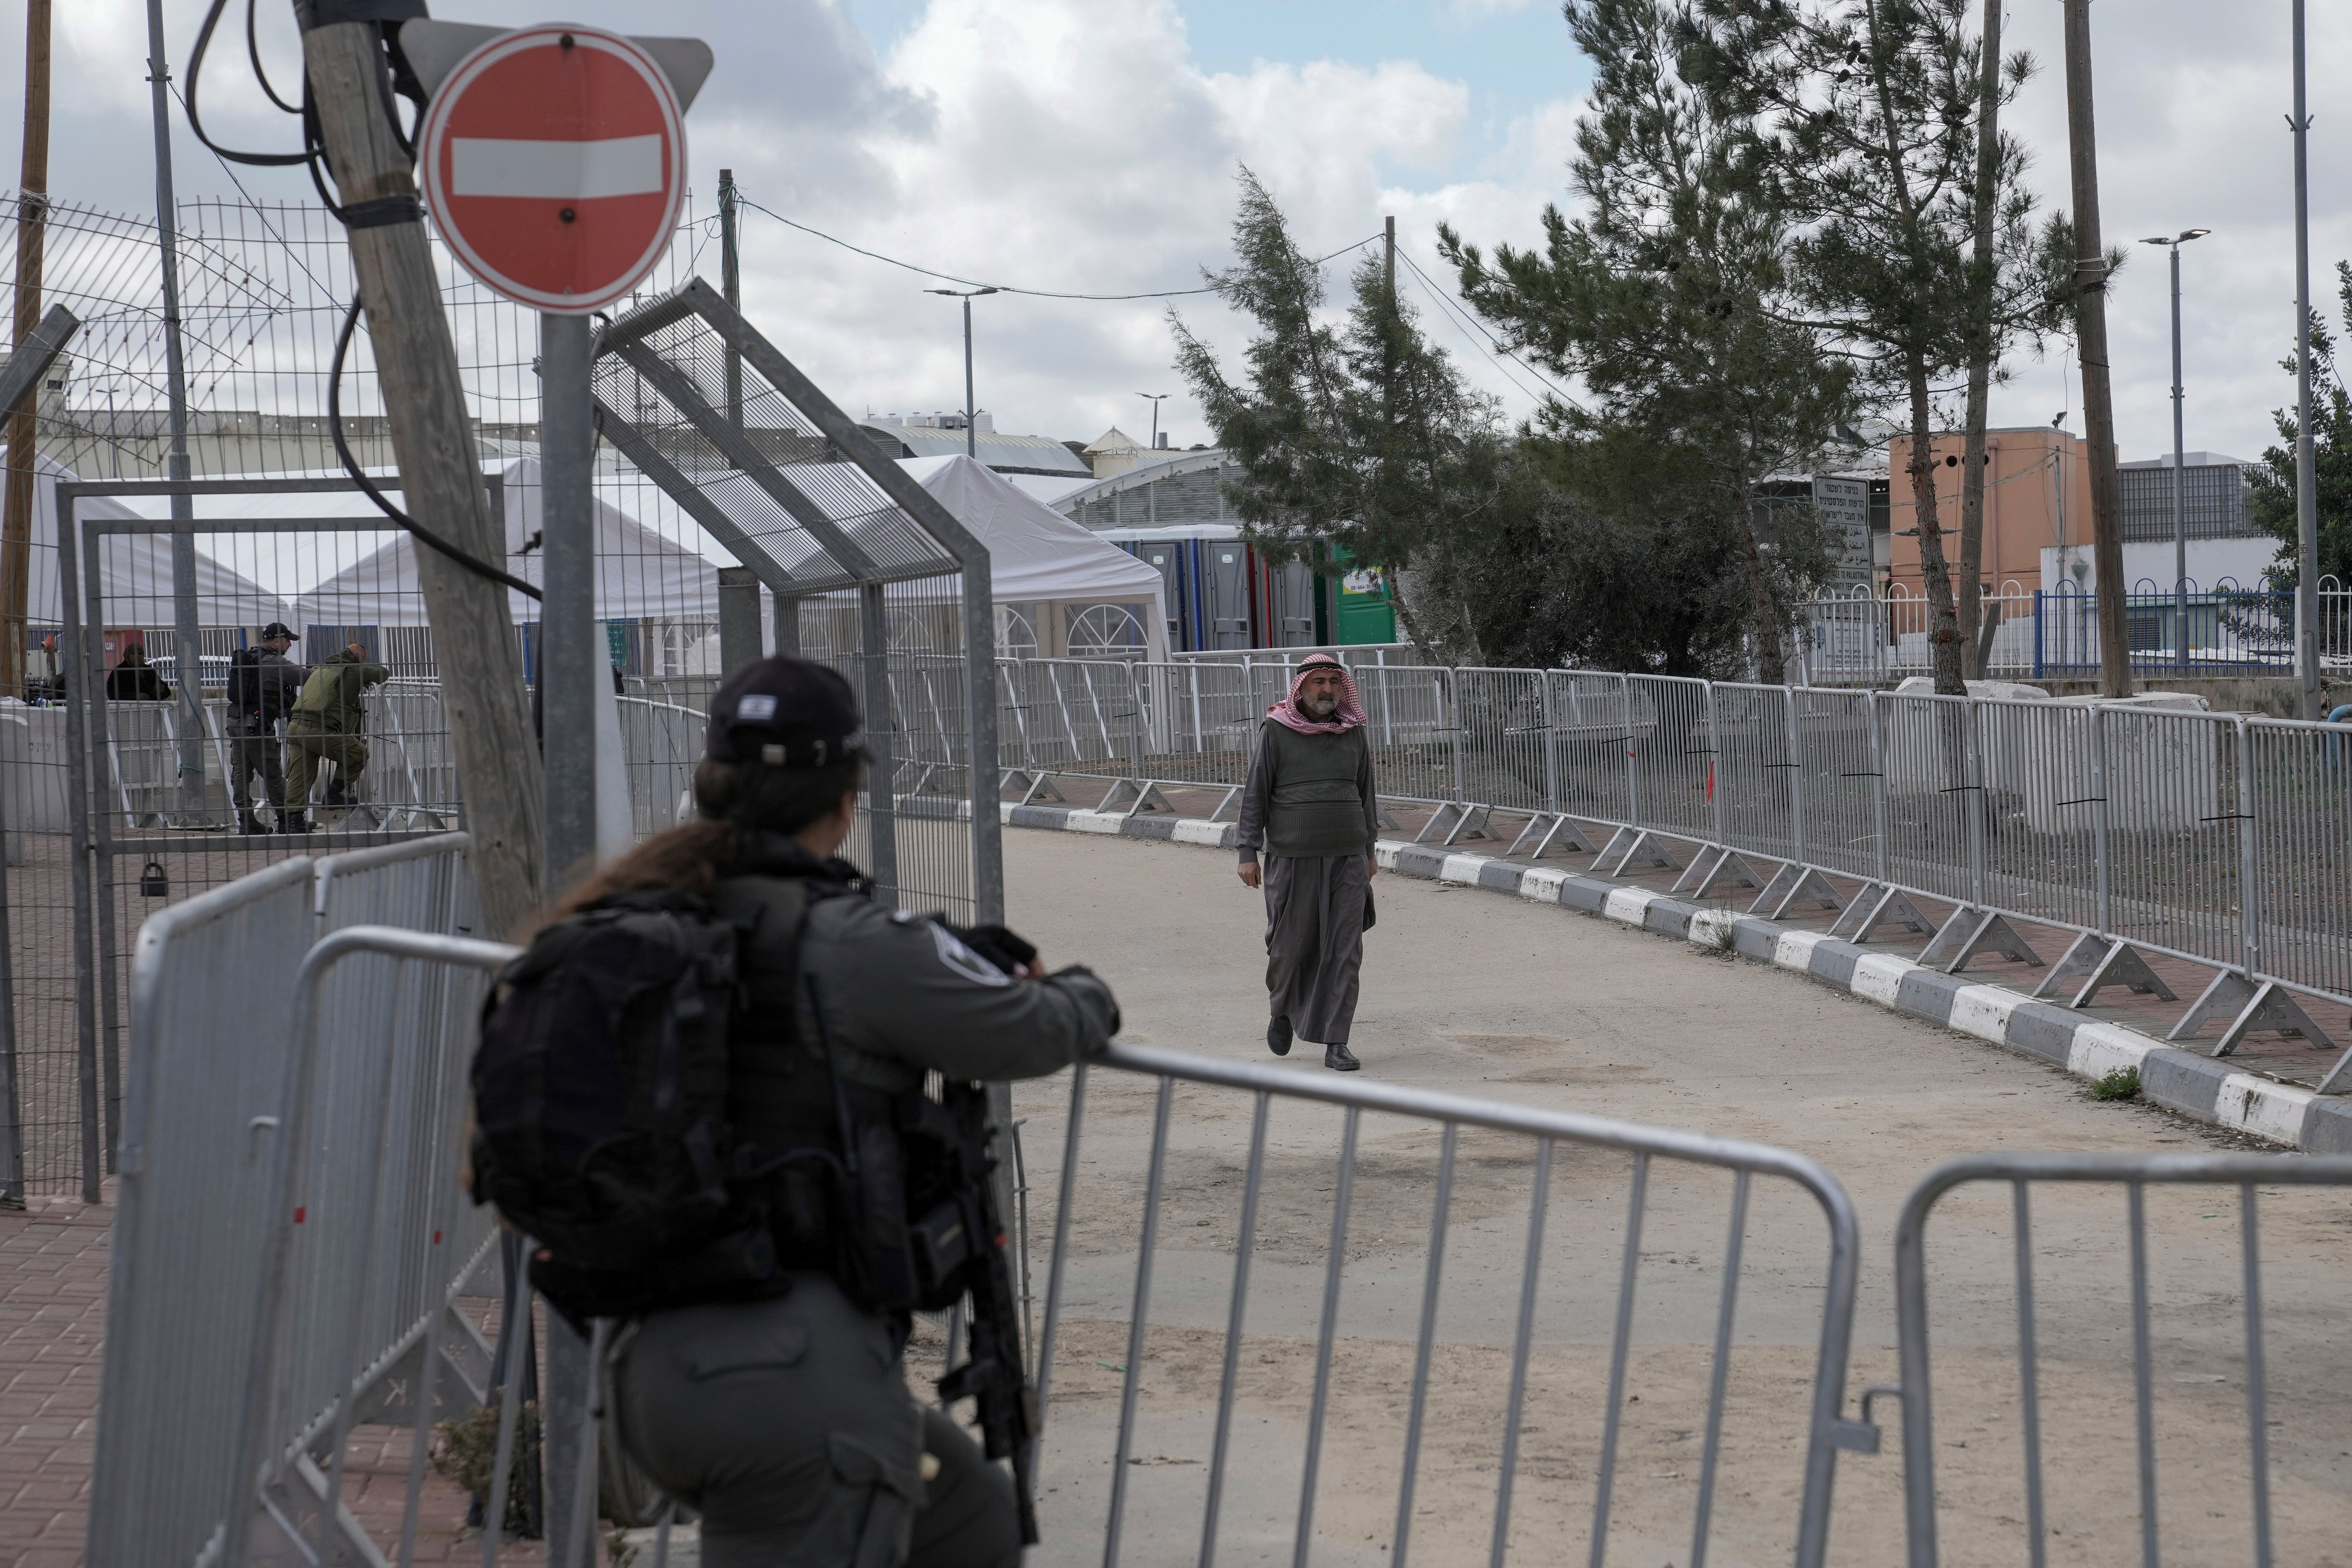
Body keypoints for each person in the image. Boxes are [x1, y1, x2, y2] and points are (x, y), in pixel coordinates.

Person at [558, 655, 1120, 1568]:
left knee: (966, 1518)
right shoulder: (845, 942)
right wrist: (1082, 989)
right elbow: (1034, 1026)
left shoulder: (642, 917)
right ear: (844, 801)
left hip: (652, 1371)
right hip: (785, 1389)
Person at [1235, 653, 1379, 1072]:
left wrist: (1369, 851)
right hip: (1292, 858)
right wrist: (1248, 851)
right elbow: (1255, 793)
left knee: (1344, 951)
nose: (1327, 691)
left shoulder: (1353, 733)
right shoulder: (1276, 731)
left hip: (1348, 859)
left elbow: (1365, 794)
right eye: (1318, 682)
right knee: (1289, 947)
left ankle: (1336, 1041)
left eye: (1334, 683)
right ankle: (1281, 1009)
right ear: (1301, 688)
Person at [283, 640, 389, 832]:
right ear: (359, 661)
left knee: (300, 775)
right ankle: (334, 794)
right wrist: (362, 673)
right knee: (359, 753)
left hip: (295, 727)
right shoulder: (353, 670)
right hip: (318, 729)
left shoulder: (322, 670)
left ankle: (293, 822)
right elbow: (383, 673)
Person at [226, 623, 304, 835]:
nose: (289, 645)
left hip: (236, 723)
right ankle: (288, 821)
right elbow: (304, 676)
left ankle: (247, 821)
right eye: (288, 641)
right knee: (272, 773)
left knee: (241, 774)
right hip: (256, 727)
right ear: (277, 641)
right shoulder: (274, 661)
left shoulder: (251, 657)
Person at [104, 641, 172, 701]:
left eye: (140, 654)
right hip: (126, 712)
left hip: (150, 712)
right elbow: (111, 694)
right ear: (127, 655)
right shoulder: (119, 672)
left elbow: (167, 691)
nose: (138, 656)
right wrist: (136, 697)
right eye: (134, 653)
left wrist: (162, 689)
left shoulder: (148, 671)